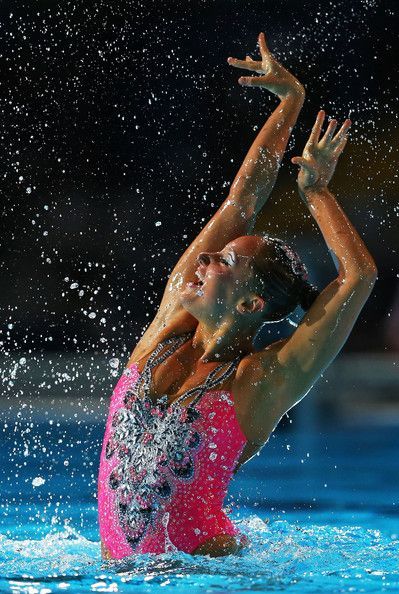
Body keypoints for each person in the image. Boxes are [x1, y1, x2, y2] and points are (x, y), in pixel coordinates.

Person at [98, 32, 377, 559]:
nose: (203, 260)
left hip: (211, 577)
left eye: (225, 261)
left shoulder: (262, 378)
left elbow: (358, 278)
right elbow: (241, 202)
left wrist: (317, 193)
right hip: (128, 576)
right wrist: (289, 104)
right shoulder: (166, 328)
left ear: (250, 305)